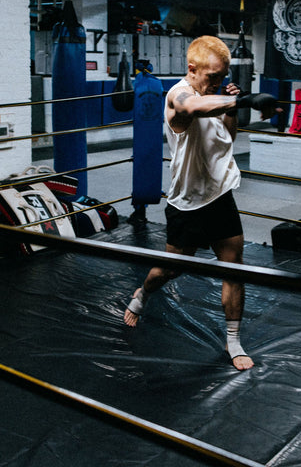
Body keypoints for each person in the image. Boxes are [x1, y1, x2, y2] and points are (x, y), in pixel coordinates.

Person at [123, 35, 278, 371]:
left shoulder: (217, 95)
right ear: (192, 70)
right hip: (187, 202)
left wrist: (231, 105)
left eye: (223, 77)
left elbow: (228, 138)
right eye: (212, 77)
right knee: (170, 269)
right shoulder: (178, 95)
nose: (218, 83)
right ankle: (143, 294)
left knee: (233, 267)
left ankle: (233, 340)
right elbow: (189, 109)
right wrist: (242, 101)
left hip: (220, 195)